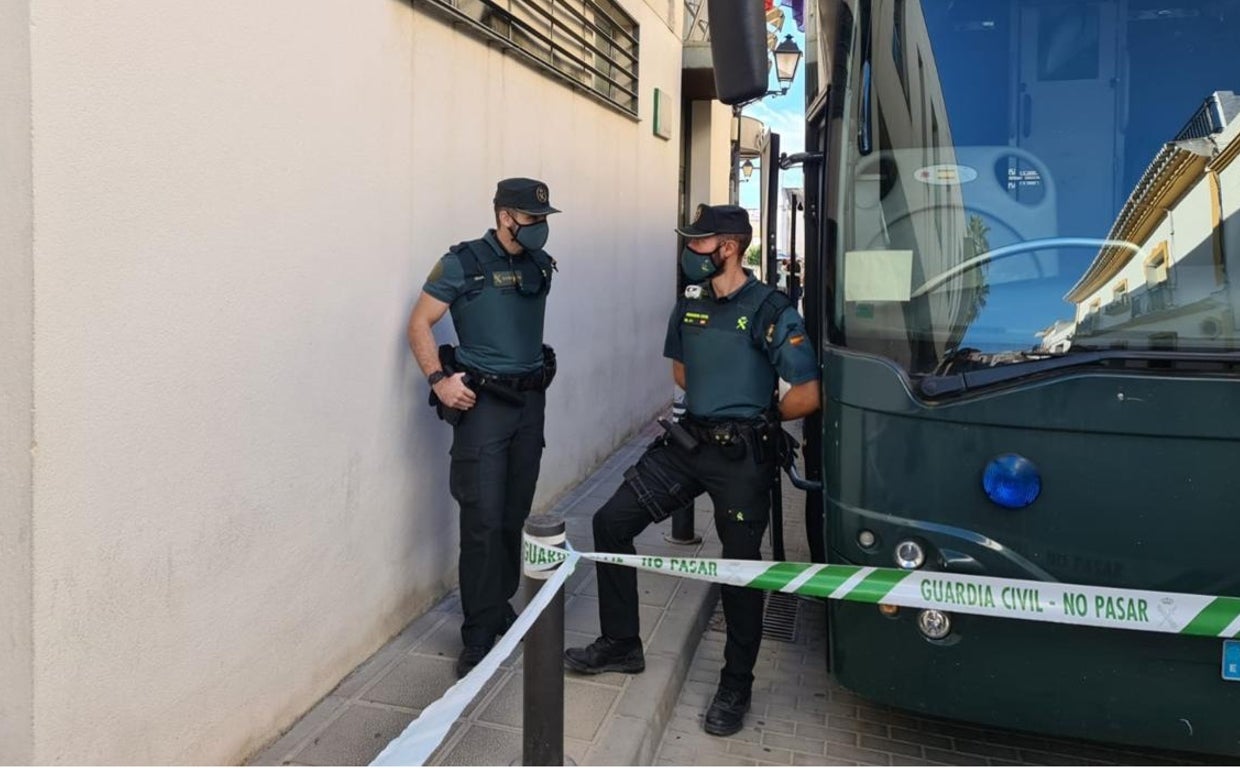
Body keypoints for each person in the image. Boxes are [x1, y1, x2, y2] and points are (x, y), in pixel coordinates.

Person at [564, 204, 820, 736]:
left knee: (740, 566)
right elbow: (681, 369)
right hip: (687, 445)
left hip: (742, 457)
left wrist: (760, 419)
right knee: (611, 523)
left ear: (728, 247)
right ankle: (621, 643)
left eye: (699, 244)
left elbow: (807, 393)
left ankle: (736, 682)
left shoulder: (771, 308)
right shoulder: (690, 304)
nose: (689, 254)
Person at [407, 177, 560, 678]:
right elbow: (419, 323)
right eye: (531, 219)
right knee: (482, 520)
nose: (539, 228)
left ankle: (499, 607)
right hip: (484, 408)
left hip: (528, 405)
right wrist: (438, 381)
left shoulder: (539, 265)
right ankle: (477, 632)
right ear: (504, 217)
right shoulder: (463, 263)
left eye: (543, 219)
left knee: (513, 513)